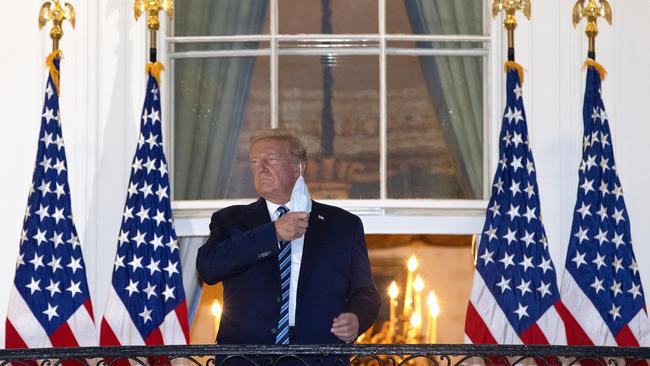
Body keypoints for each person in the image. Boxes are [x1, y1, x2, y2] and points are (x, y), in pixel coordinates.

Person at [196, 128, 381, 348]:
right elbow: (208, 268)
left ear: (298, 168)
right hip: (248, 356)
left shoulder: (343, 225)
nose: (260, 168)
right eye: (254, 162)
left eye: (270, 159)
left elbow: (365, 293)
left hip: (318, 355)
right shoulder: (231, 219)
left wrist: (357, 319)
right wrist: (272, 233)